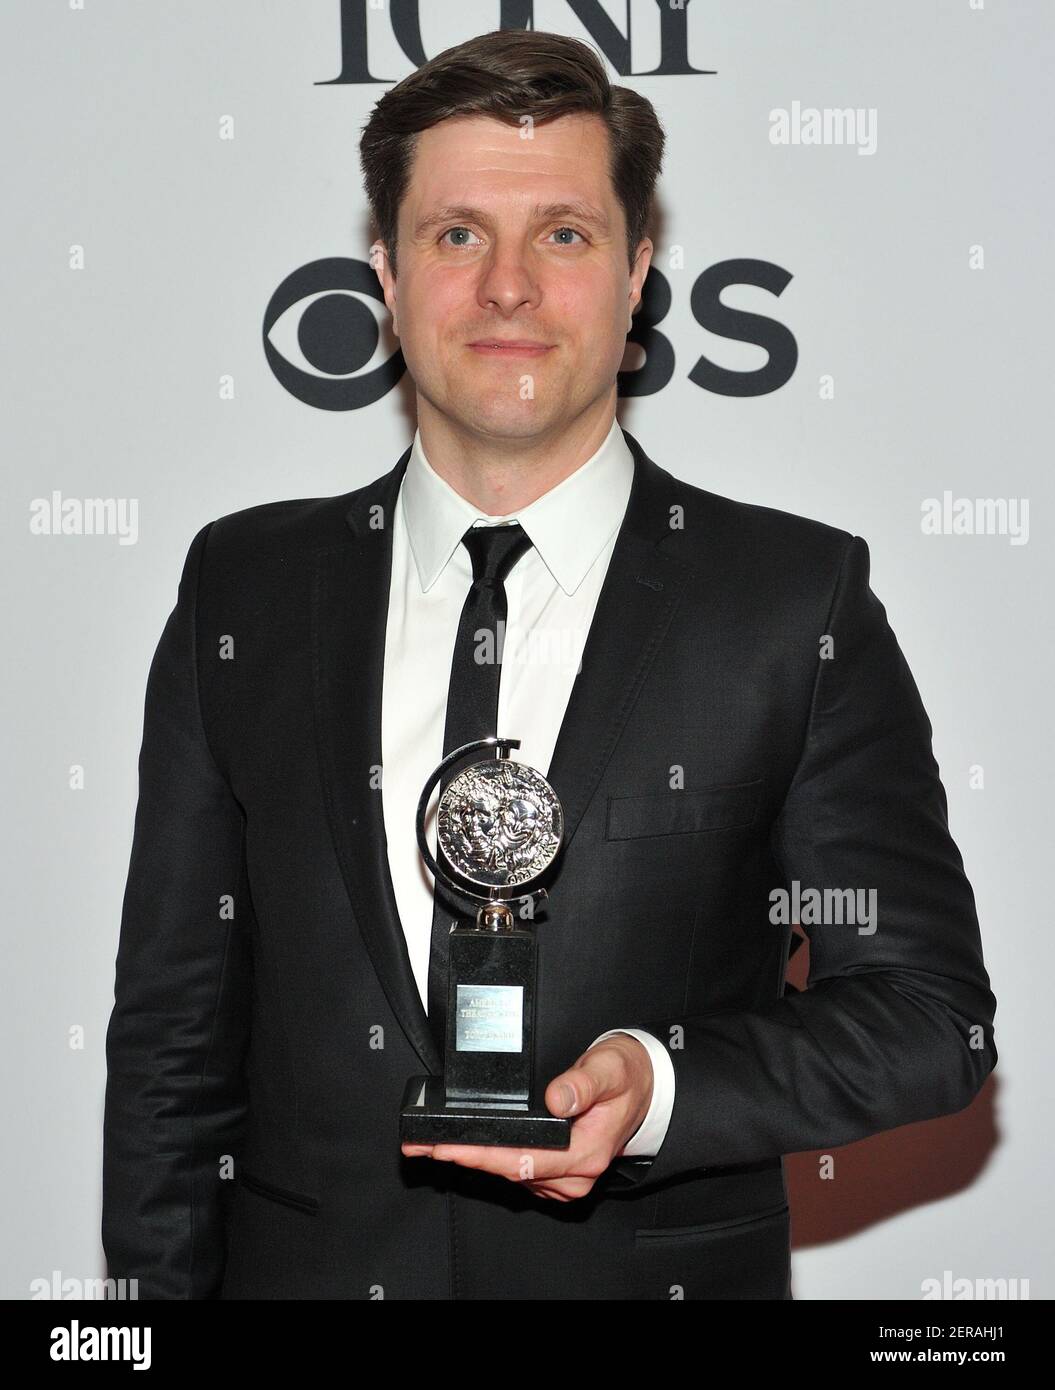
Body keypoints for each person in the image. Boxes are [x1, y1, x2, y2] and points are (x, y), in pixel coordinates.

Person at [102, 29, 997, 1300]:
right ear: (384, 276)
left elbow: (926, 1017)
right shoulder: (243, 589)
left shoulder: (791, 602)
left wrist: (663, 1083)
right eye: (457, 234)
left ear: (637, 274)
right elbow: (170, 1047)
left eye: (564, 235)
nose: (508, 287)